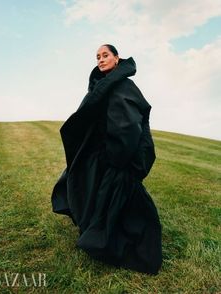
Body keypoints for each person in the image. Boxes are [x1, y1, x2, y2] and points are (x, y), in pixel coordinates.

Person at [51, 44, 162, 275]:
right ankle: (92, 227)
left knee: (120, 196)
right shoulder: (99, 87)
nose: (100, 60)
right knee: (87, 185)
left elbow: (130, 124)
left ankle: (119, 240)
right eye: (97, 57)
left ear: (117, 58)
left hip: (120, 154)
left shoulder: (124, 86)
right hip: (101, 152)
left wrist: (119, 156)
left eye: (105, 55)